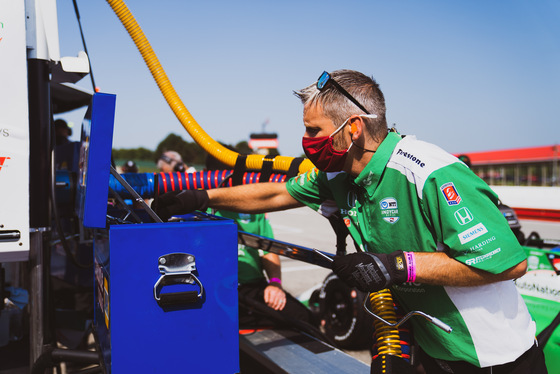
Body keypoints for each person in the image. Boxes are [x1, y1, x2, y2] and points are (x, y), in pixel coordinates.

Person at [153, 70, 546, 373]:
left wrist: (395, 266)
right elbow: (276, 193)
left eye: (313, 131)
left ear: (352, 128)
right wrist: (201, 197)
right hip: (435, 348)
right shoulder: (342, 174)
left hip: (494, 358)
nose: (305, 141)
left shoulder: (428, 172)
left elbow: (509, 262)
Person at [204, 153, 315, 329]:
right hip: (212, 288)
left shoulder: (249, 206)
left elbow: (268, 250)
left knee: (303, 319)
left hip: (252, 287)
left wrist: (275, 284)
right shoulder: (196, 207)